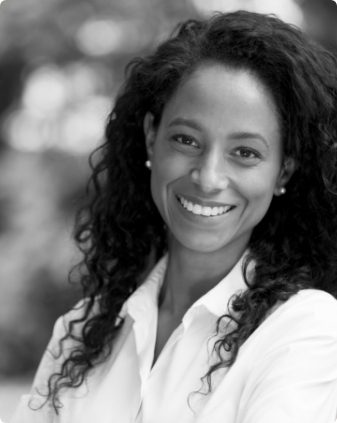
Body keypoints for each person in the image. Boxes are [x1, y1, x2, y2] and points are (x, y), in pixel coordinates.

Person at [11, 10, 337, 423]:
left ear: (283, 171)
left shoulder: (304, 332)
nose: (208, 177)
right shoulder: (81, 332)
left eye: (246, 152)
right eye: (186, 140)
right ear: (151, 138)